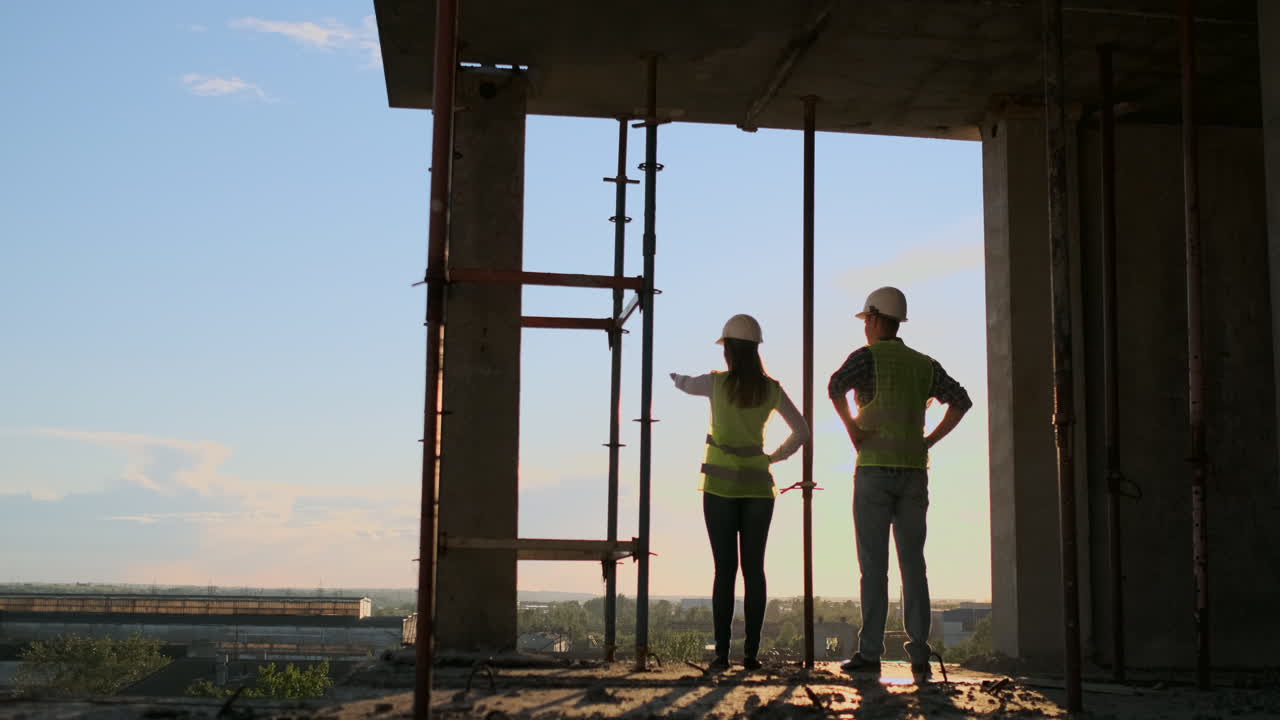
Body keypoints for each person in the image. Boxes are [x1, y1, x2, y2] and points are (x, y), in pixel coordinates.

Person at [827, 287, 972, 683]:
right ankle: (919, 655)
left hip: (874, 472)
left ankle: (870, 653)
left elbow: (835, 386)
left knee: (874, 568)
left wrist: (853, 429)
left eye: (866, 321)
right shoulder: (924, 364)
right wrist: (930, 440)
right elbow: (961, 400)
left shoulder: (866, 358)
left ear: (874, 319)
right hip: (913, 474)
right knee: (914, 566)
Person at [670, 313, 810, 671]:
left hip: (718, 490)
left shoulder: (716, 384)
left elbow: (686, 385)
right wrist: (772, 457)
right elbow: (802, 431)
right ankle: (750, 655)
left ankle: (721, 654)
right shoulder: (771, 389)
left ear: (728, 349)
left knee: (724, 571)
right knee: (754, 570)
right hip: (758, 490)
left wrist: (677, 378)